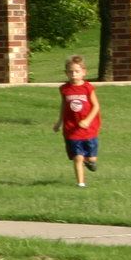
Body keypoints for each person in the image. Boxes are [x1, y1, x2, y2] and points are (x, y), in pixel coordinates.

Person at [53, 54, 102, 188]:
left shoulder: (88, 88)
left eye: (77, 71)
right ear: (66, 73)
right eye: (70, 72)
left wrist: (88, 120)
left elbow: (96, 106)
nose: (74, 74)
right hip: (72, 129)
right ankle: (81, 183)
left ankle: (89, 160)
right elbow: (64, 106)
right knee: (77, 157)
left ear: (83, 72)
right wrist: (59, 122)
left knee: (91, 159)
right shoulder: (65, 89)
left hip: (89, 130)